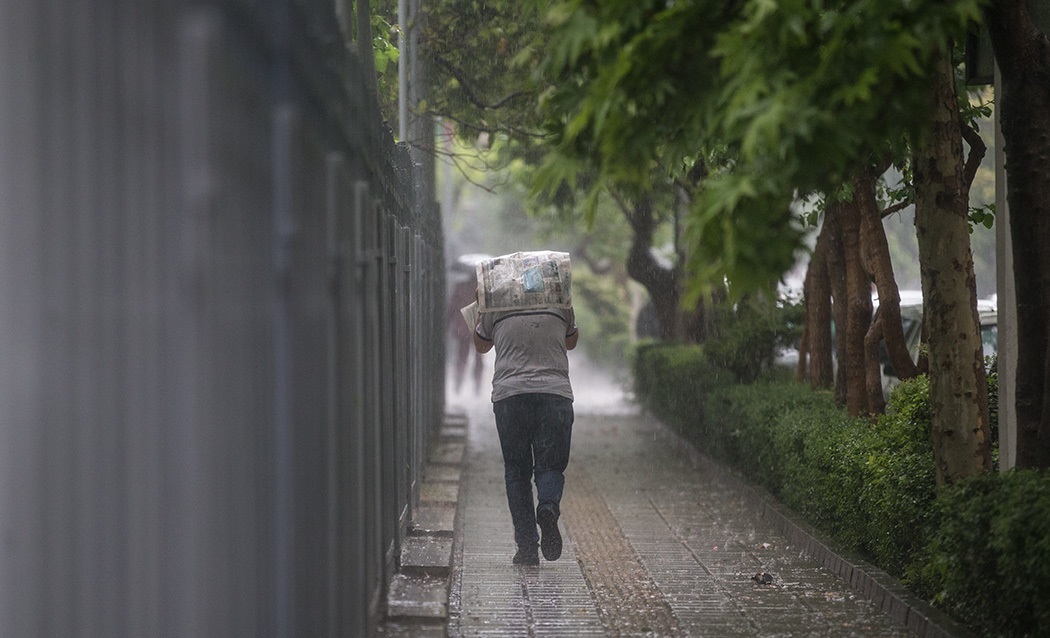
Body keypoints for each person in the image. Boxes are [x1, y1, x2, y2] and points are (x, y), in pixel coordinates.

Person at [473, 296, 578, 566]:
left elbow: (481, 345)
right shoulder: (559, 301)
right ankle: (548, 507)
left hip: (511, 397)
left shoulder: (495, 303)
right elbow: (571, 341)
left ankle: (528, 548)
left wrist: (479, 314)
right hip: (555, 394)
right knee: (550, 466)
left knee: (517, 472)